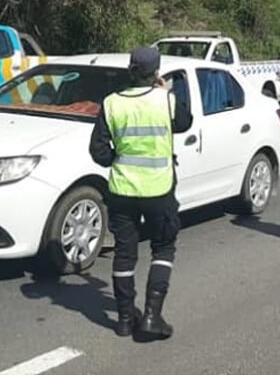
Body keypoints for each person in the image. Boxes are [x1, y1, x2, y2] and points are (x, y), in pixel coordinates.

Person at [89, 46, 192, 341]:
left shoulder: (111, 103)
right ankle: (151, 316)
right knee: (163, 248)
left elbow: (98, 151)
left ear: (130, 70)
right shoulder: (166, 100)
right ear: (156, 72)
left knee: (124, 253)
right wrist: (165, 91)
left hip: (122, 189)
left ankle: (124, 319)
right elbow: (184, 123)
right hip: (159, 188)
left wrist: (118, 160)